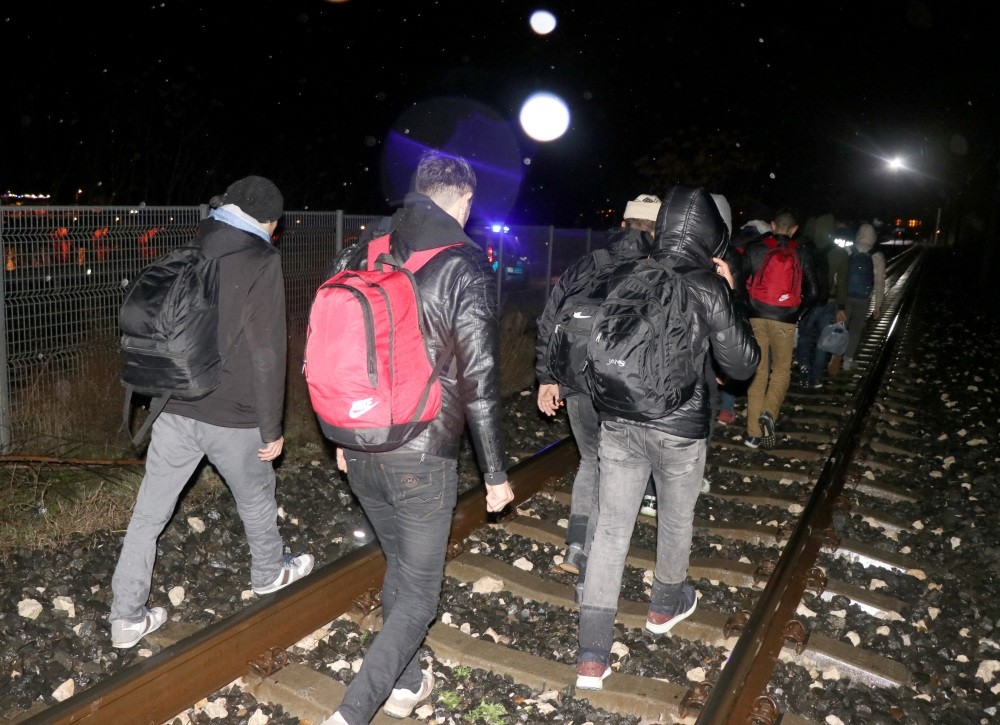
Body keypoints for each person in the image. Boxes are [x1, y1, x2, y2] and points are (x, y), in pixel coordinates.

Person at [322, 151, 515, 725]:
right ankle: (353, 712)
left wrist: (342, 432)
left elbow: (340, 345)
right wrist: (496, 473)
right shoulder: (463, 262)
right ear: (466, 202)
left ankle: (406, 684)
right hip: (422, 452)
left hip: (359, 442)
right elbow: (480, 377)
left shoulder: (368, 247)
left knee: (400, 563)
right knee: (418, 595)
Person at [109, 176, 314, 649]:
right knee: (257, 498)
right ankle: (268, 573)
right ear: (270, 221)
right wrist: (272, 427)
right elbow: (267, 353)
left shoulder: (195, 243)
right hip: (234, 415)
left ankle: (126, 617)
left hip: (174, 406)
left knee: (148, 514)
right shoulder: (262, 259)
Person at [575, 184, 760, 691]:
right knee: (676, 518)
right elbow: (742, 364)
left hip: (618, 419)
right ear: (711, 234)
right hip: (678, 427)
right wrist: (730, 294)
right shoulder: (707, 283)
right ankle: (664, 604)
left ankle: (591, 656)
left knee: (611, 530)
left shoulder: (630, 271)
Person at [536, 193, 660, 574]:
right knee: (624, 467)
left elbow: (550, 319)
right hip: (627, 387)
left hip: (576, 381)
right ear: (658, 231)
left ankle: (575, 548)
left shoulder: (588, 263)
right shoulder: (661, 269)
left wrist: (547, 376)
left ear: (622, 224)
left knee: (591, 460)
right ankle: (603, 561)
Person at [737, 208, 819, 449]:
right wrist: (797, 313)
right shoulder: (801, 252)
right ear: (794, 230)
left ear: (773, 226)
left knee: (759, 372)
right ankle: (769, 413)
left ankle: (753, 434)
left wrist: (748, 309)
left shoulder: (755, 248)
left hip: (757, 317)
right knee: (781, 371)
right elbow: (814, 292)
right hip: (786, 320)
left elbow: (739, 282)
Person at [717, 219, 769, 424]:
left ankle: (719, 408)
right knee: (734, 355)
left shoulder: (730, 244)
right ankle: (727, 408)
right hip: (749, 307)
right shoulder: (759, 248)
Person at [794, 213, 848, 387]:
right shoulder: (840, 253)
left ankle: (804, 370)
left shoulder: (803, 249)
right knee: (823, 340)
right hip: (829, 301)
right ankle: (817, 377)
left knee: (804, 336)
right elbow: (842, 283)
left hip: (808, 301)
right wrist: (841, 306)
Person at [842, 221, 886, 371]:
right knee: (855, 328)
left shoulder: (847, 250)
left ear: (858, 234)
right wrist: (878, 305)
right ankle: (848, 361)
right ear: (873, 237)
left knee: (841, 325)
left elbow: (839, 275)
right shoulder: (877, 256)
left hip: (846, 295)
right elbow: (880, 282)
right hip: (864, 298)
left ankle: (836, 355)